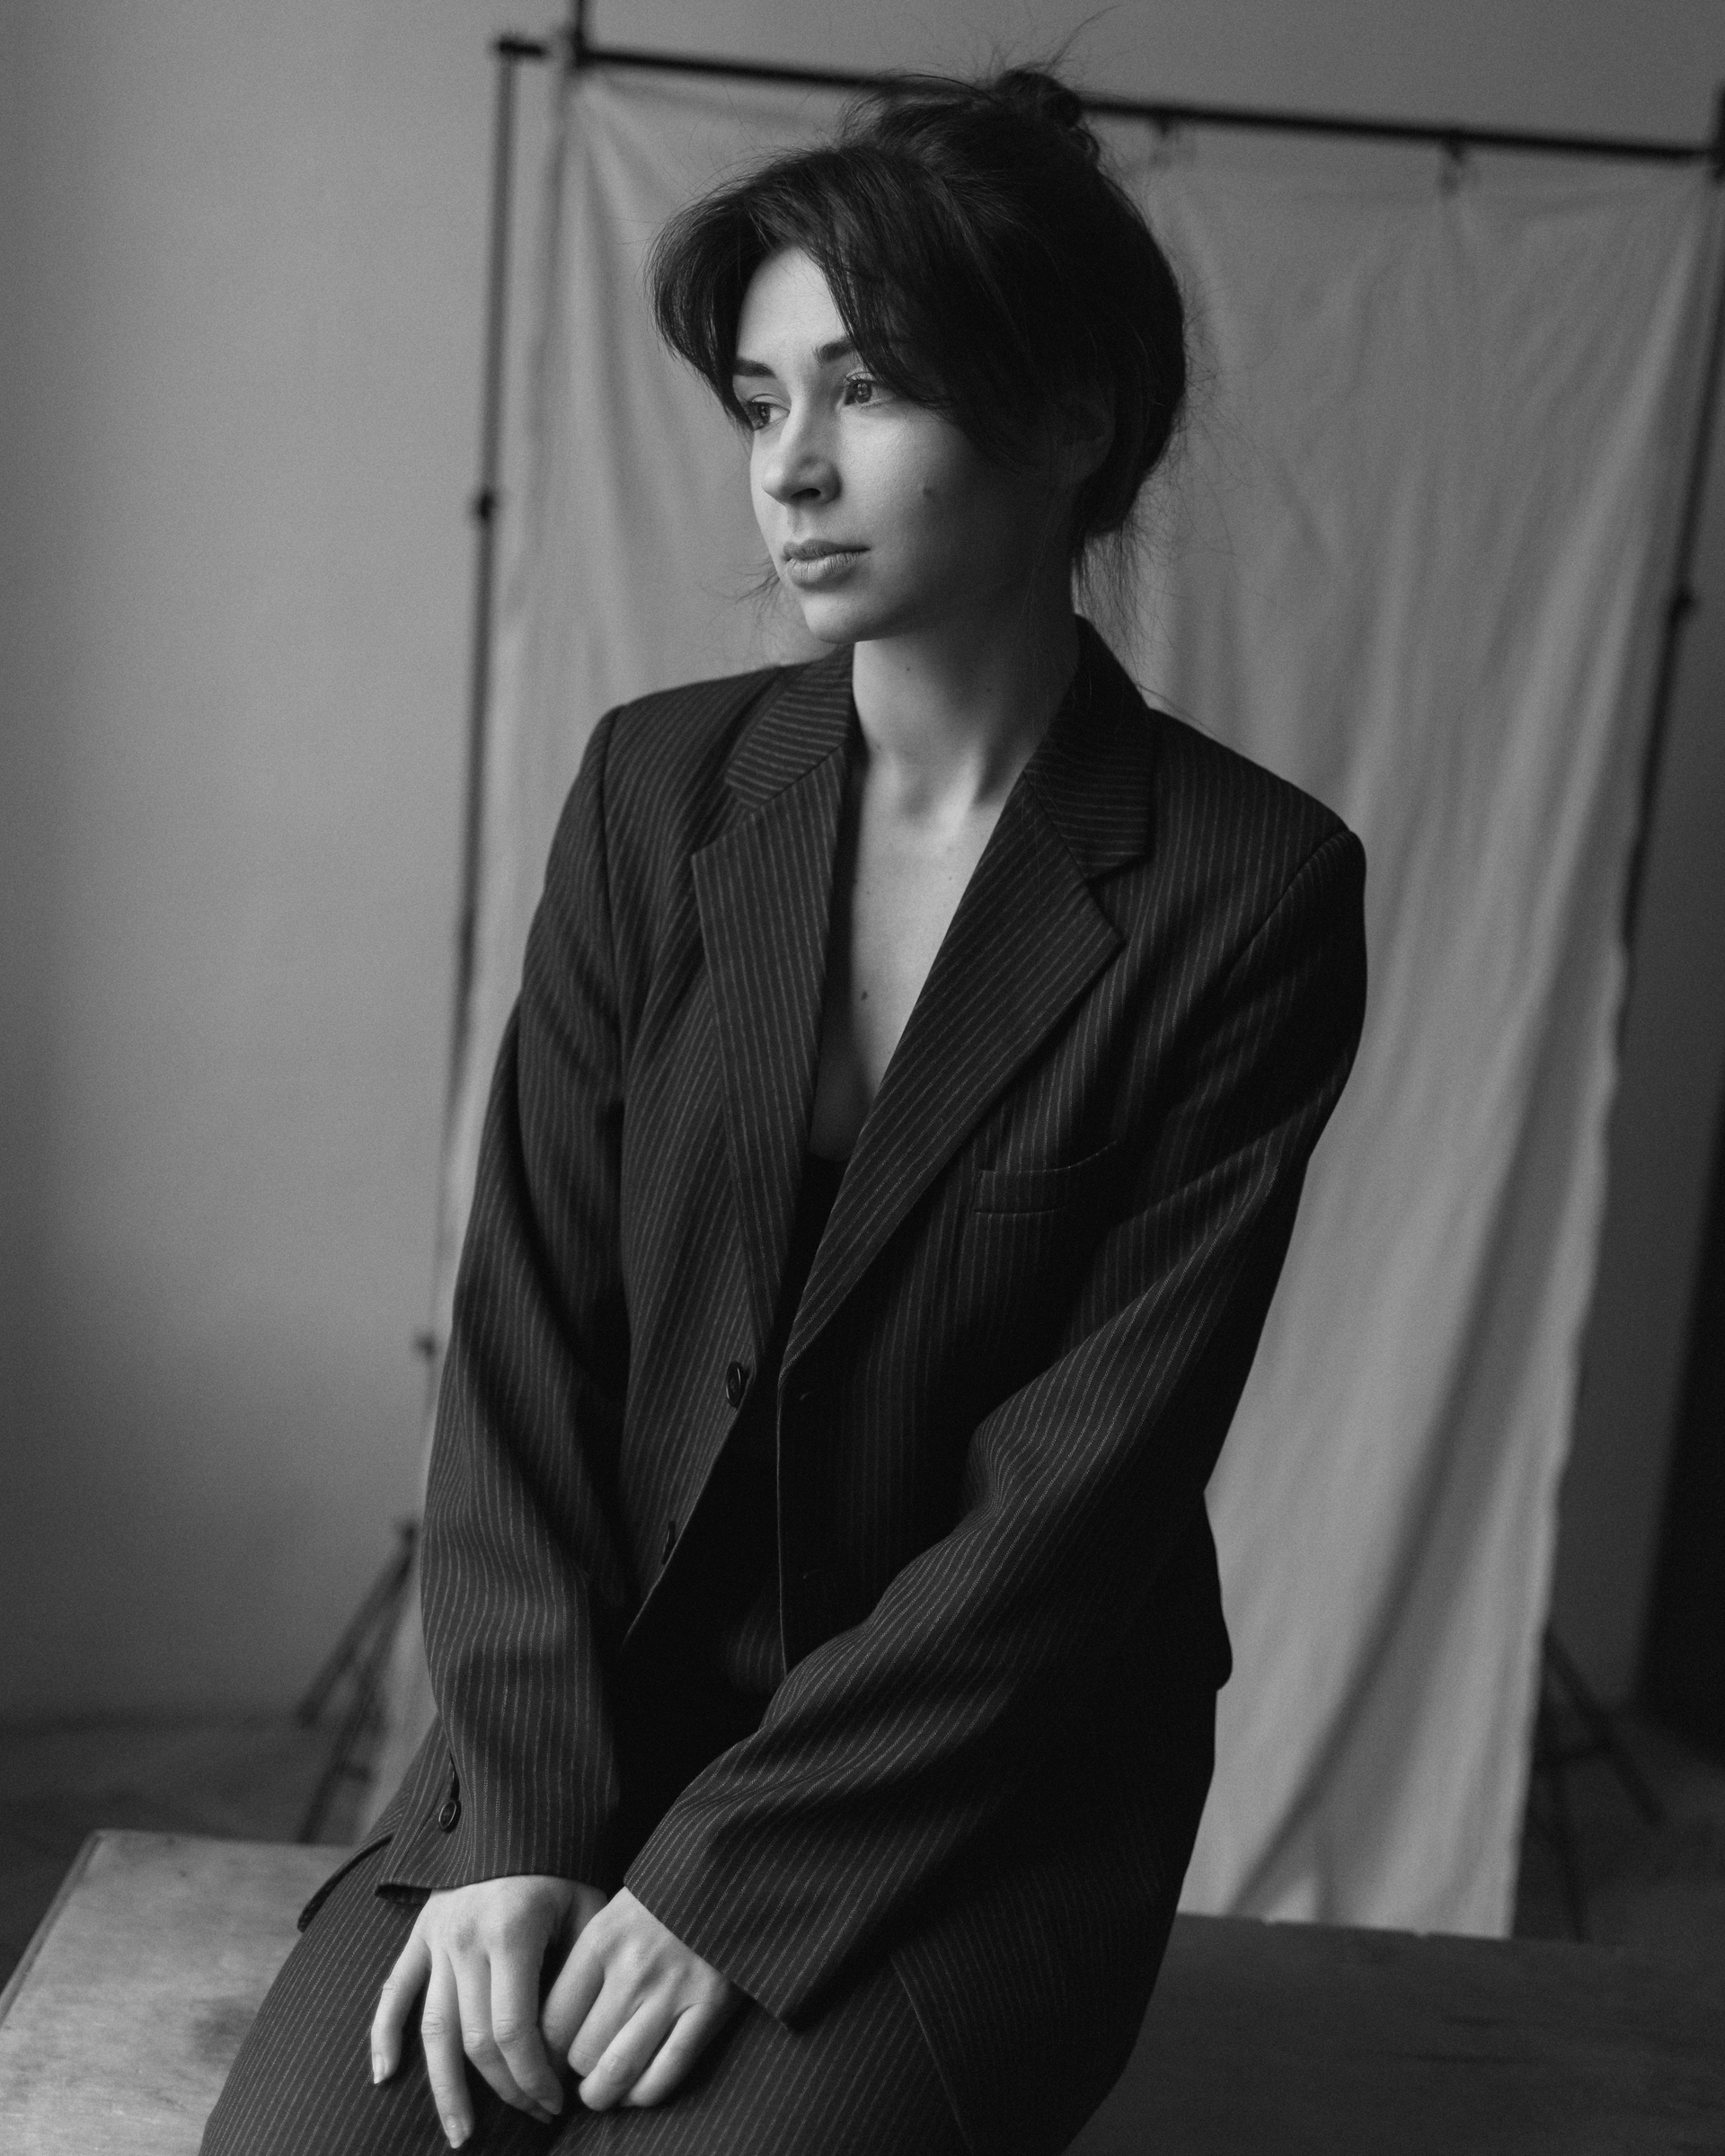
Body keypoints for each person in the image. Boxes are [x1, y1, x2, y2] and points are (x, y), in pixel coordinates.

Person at [204, 61, 1366, 2156]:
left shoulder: (1245, 893)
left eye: (868, 389)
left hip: (974, 1778)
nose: (793, 470)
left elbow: (1078, 1498)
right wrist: (522, 1825)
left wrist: (732, 1883)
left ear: (1073, 417)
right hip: (600, 1710)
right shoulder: (657, 795)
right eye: (759, 404)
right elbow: (529, 1342)